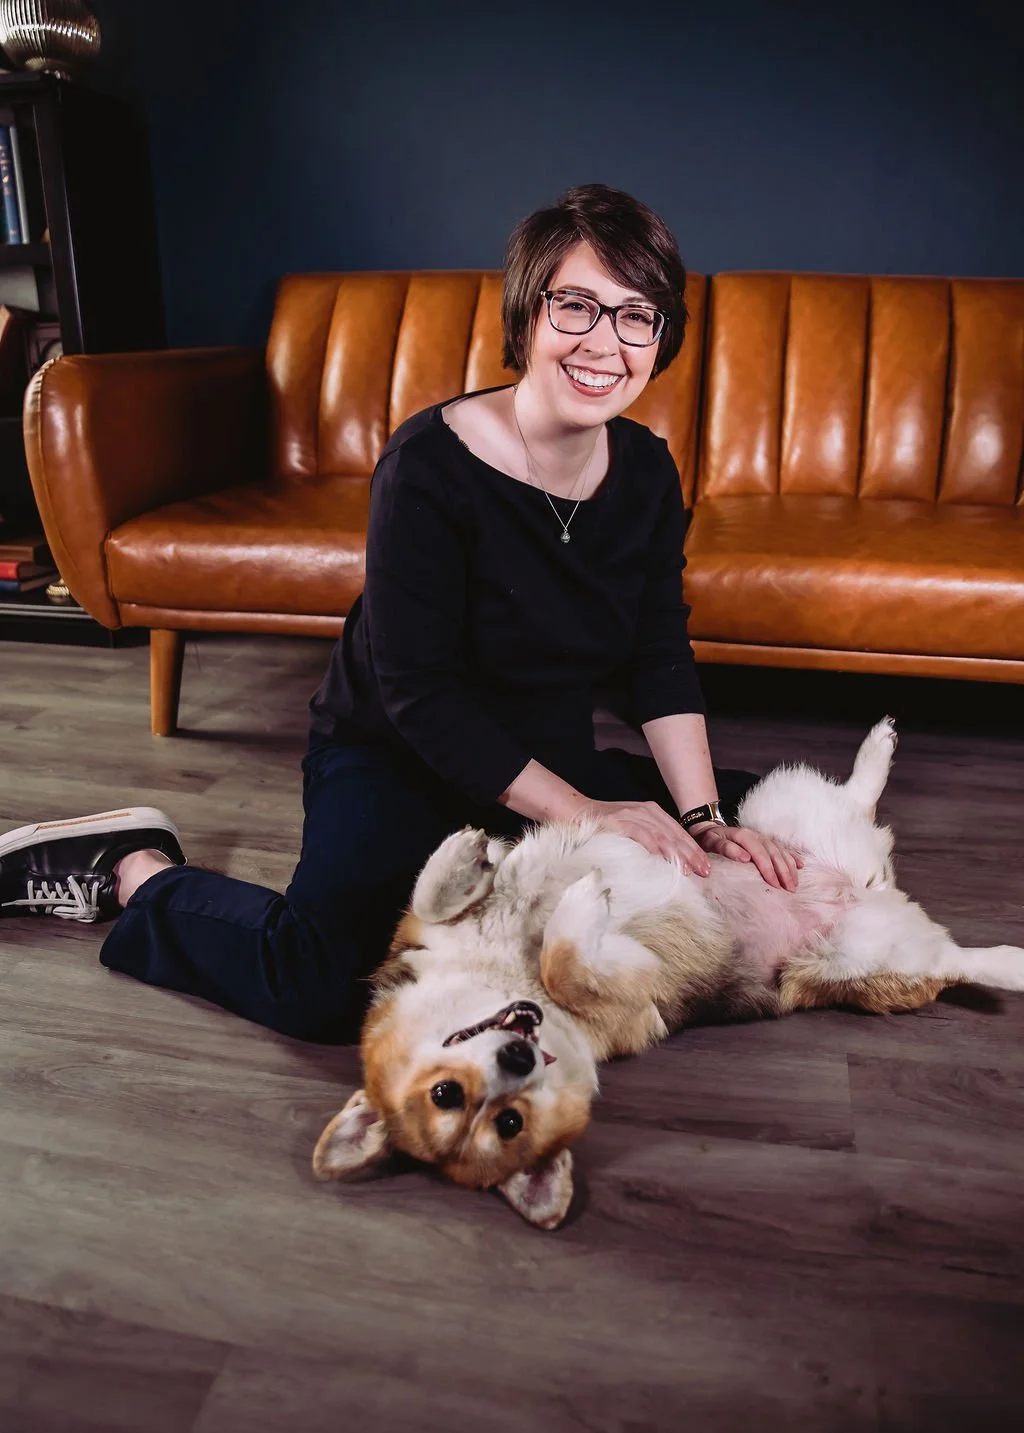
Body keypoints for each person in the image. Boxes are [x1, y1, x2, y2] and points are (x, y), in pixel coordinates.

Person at [0, 183, 800, 1044]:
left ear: (660, 339)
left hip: (540, 759)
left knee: (760, 820)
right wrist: (585, 811)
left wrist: (703, 819)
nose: (605, 342)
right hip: (395, 755)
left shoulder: (645, 470)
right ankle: (133, 870)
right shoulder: (428, 465)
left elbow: (658, 654)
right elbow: (421, 693)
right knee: (323, 985)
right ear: (527, 313)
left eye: (637, 315)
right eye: (576, 304)